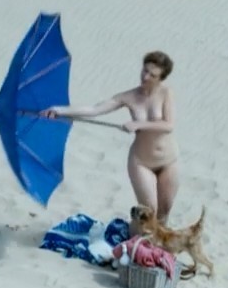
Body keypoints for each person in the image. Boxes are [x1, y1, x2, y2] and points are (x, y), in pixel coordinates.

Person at [40, 51, 181, 221]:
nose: (145, 77)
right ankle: (137, 237)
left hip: (168, 160)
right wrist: (59, 110)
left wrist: (139, 124)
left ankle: (158, 239)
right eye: (145, 71)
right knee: (148, 212)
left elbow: (168, 125)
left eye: (152, 75)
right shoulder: (129, 96)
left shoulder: (166, 93)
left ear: (161, 78)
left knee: (164, 210)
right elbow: (94, 110)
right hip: (141, 161)